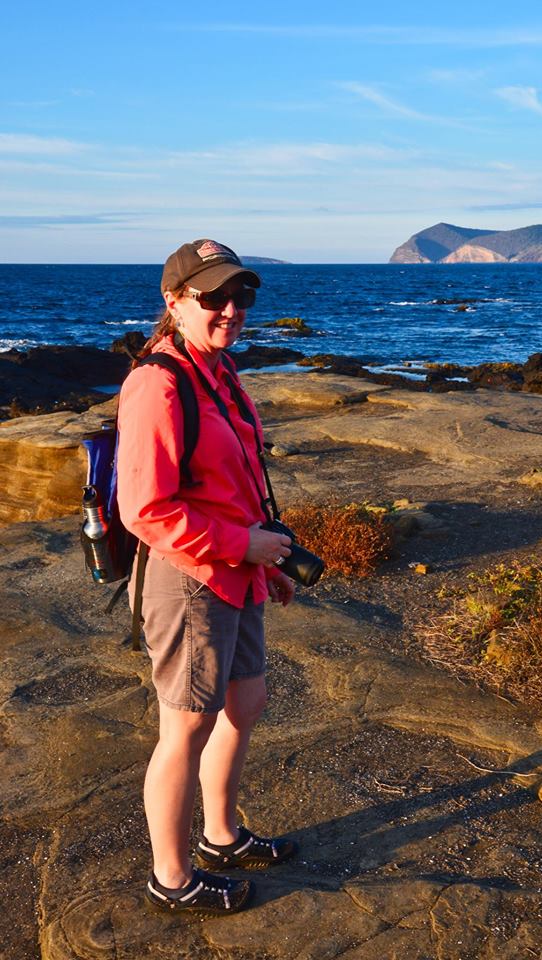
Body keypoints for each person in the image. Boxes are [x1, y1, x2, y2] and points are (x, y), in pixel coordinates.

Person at [116, 239, 297, 916]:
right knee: (186, 727)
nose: (229, 310)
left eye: (240, 296)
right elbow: (147, 510)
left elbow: (237, 477)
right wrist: (238, 545)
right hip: (190, 578)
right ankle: (171, 877)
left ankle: (219, 836)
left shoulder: (217, 373)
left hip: (238, 570)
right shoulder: (156, 384)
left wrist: (265, 557)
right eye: (211, 297)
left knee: (244, 705)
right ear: (173, 302)